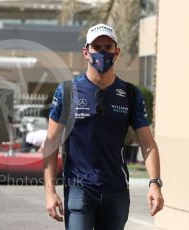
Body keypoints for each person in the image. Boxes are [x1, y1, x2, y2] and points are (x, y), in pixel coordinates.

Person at [42, 24, 164, 230]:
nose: (102, 52)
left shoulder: (130, 94)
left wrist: (155, 184)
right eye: (96, 47)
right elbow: (51, 143)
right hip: (79, 189)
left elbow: (147, 143)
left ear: (117, 53)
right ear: (86, 52)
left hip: (116, 191)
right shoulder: (68, 91)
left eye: (108, 47)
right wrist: (49, 192)